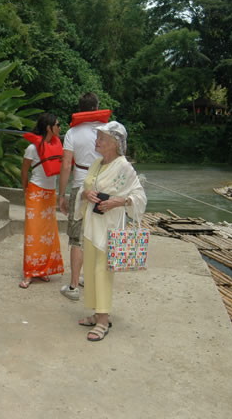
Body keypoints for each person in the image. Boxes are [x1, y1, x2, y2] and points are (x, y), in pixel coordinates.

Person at [74, 121, 146, 341]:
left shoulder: (124, 167)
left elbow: (140, 196)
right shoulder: (96, 163)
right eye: (98, 137)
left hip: (109, 226)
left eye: (101, 138)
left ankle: (103, 320)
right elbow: (84, 188)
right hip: (91, 223)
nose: (97, 141)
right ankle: (97, 313)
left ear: (114, 143)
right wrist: (86, 195)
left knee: (102, 270)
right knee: (92, 270)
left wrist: (118, 201)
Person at [58, 93, 103, 300]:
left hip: (80, 185)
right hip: (103, 185)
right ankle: (91, 280)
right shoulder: (107, 131)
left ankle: (74, 286)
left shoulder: (73, 132)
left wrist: (62, 194)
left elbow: (66, 164)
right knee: (95, 234)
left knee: (77, 236)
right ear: (97, 107)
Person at [19, 113, 64, 288]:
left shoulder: (56, 146)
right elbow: (24, 171)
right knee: (33, 234)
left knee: (47, 234)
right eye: (58, 125)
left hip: (50, 194)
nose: (60, 128)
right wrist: (25, 190)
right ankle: (30, 272)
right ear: (49, 127)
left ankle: (43, 270)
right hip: (36, 192)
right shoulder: (32, 148)